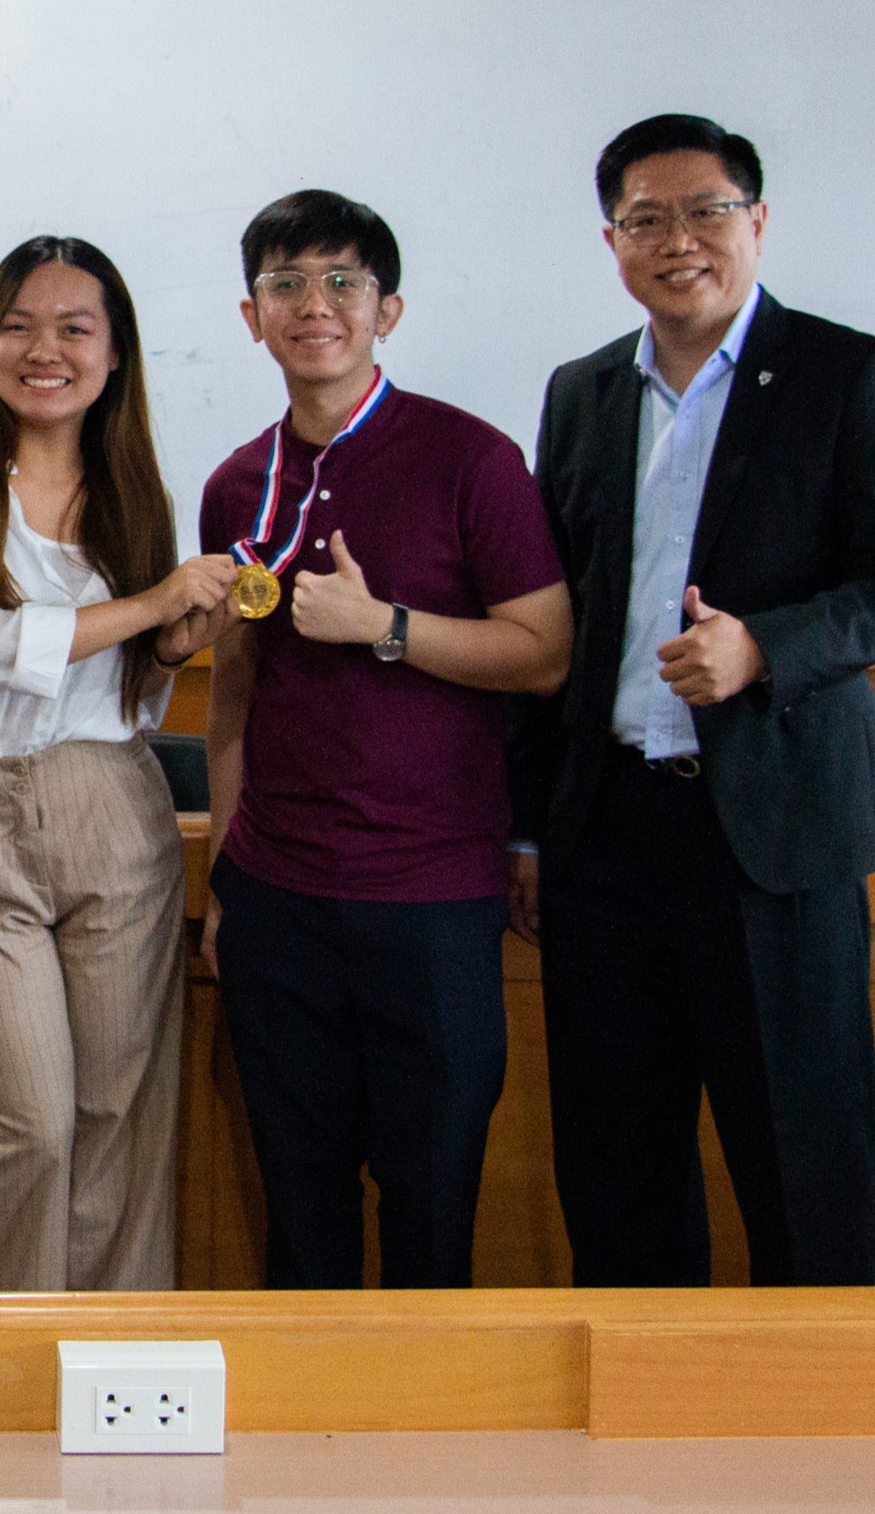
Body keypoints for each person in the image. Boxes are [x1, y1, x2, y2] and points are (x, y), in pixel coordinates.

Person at [520, 114, 875, 1287]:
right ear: (612, 240)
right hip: (607, 837)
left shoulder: (848, 372)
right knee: (616, 1168)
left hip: (773, 832)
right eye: (645, 218)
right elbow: (555, 615)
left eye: (706, 209)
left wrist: (763, 646)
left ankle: (813, 1442)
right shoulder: (583, 391)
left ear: (757, 222)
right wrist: (527, 823)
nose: (678, 239)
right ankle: (644, 1447)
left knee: (800, 1164)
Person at [198, 190, 572, 1291]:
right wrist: (227, 877)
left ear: (388, 309)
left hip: (433, 903)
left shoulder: (472, 459)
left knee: (431, 1210)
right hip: (278, 899)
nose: (314, 306)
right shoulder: (236, 483)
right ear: (251, 314)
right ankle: (293, 1460)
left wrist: (387, 629)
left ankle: (423, 1458)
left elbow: (545, 650)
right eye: (285, 284)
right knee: (299, 1214)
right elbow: (232, 692)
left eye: (341, 283)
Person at [0, 236, 236, 1293]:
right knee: (27, 1120)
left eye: (76, 328)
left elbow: (130, 678)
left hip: (112, 799)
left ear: (115, 354)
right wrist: (154, 604)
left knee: (119, 1113)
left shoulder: (132, 484)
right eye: (19, 325)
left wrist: (173, 636)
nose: (46, 349)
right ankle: (0, 1373)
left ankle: (113, 1372)